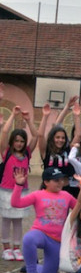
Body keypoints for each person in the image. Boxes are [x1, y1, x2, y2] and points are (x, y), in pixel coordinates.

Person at [10, 167, 76, 273]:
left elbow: (80, 208)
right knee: (29, 239)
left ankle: (33, 267)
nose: (60, 183)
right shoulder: (37, 195)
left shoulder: (66, 195)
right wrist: (18, 185)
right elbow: (16, 203)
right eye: (56, 180)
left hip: (56, 240)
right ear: (46, 182)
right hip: (40, 233)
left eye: (61, 180)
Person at [1, 107, 38, 260]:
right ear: (12, 142)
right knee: (6, 219)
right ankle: (6, 248)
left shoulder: (28, 154)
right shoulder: (7, 153)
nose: (19, 143)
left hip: (21, 192)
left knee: (18, 220)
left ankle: (16, 247)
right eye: (16, 140)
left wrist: (29, 120)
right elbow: (3, 134)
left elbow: (36, 135)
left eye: (22, 141)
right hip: (6, 191)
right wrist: (13, 116)